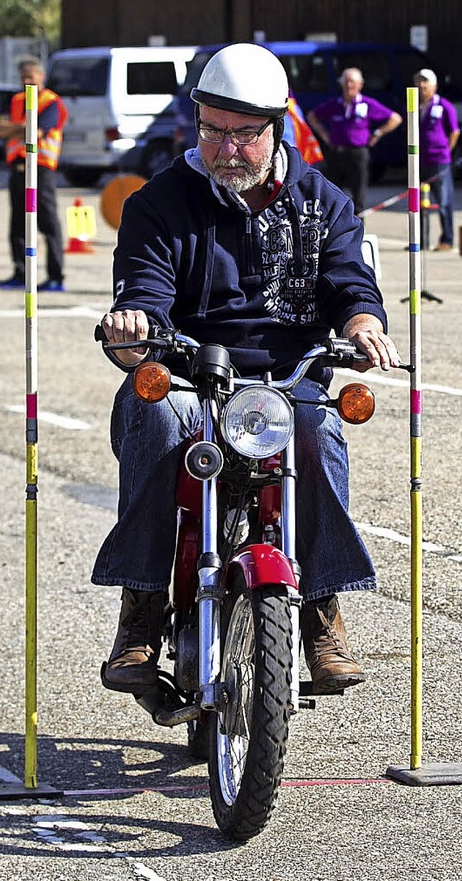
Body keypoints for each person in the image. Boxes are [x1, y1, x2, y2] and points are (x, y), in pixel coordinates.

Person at [93, 43, 401, 698]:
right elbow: (143, 288)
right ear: (195, 123)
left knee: (320, 434)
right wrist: (132, 328)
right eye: (211, 130)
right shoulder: (158, 202)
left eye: (244, 135)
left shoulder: (323, 203)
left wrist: (362, 323)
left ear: (278, 126)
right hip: (185, 378)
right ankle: (141, 611)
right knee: (156, 416)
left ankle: (320, 612)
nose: (226, 148)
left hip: (287, 381)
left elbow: (350, 280)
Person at [0, 57, 68, 292]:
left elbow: (36, 132)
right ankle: (20, 273)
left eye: (31, 77)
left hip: (41, 168)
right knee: (18, 223)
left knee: (48, 223)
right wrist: (21, 128)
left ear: (41, 77)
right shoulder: (17, 100)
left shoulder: (51, 102)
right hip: (17, 168)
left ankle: (55, 276)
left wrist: (15, 128)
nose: (26, 81)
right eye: (23, 77)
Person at [306, 67, 402, 215]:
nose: (349, 86)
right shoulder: (334, 104)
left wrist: (377, 133)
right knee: (332, 192)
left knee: (358, 194)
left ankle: (358, 228)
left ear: (360, 85)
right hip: (336, 152)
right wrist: (324, 135)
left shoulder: (367, 104)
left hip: (358, 153)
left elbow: (395, 118)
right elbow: (312, 116)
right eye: (346, 82)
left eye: (352, 82)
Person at [414, 68, 460, 251]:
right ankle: (421, 240)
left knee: (444, 201)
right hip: (419, 161)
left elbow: (454, 131)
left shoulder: (444, 106)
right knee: (417, 204)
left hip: (439, 161)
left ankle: (447, 239)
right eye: (419, 81)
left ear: (434, 86)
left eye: (425, 82)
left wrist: (446, 150)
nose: (422, 86)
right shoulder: (413, 106)